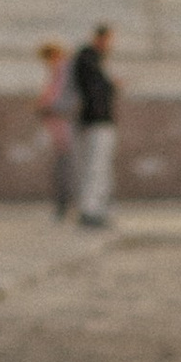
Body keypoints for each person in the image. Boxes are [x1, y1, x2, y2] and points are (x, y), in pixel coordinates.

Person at [70, 23, 119, 230]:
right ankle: (90, 210)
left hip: (97, 121)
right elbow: (94, 92)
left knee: (99, 168)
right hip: (95, 122)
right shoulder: (88, 59)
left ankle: (96, 208)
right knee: (95, 167)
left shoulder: (92, 60)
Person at [34, 40, 74, 220]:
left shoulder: (64, 71)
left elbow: (63, 99)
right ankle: (63, 205)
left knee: (66, 169)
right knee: (62, 169)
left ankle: (65, 206)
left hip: (66, 129)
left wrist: (48, 108)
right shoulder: (58, 72)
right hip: (59, 130)